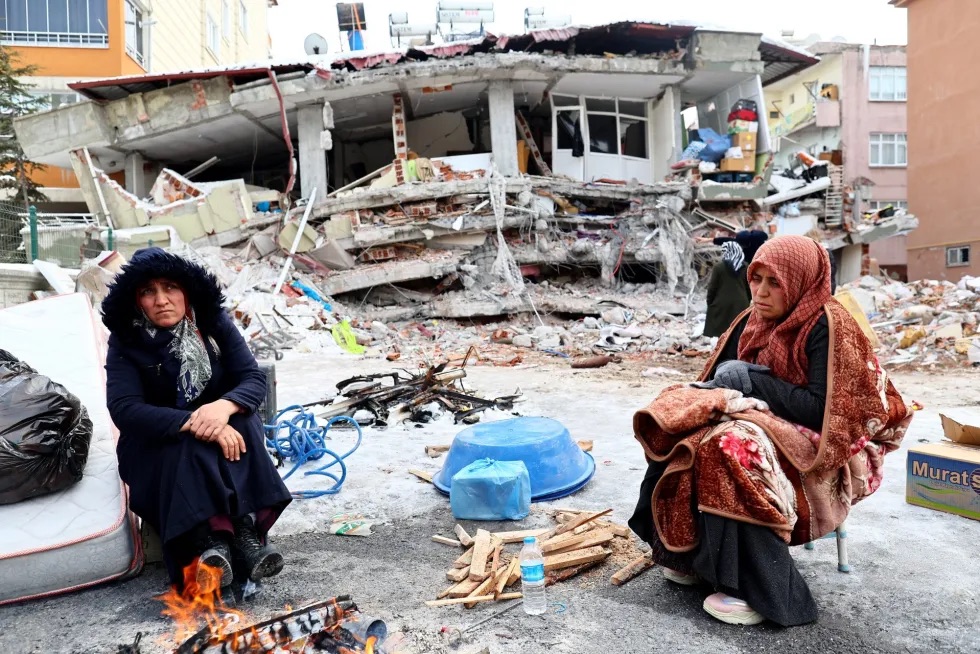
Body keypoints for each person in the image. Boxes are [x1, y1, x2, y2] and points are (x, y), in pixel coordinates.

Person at [629, 235, 912, 627]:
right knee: (683, 429)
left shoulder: (828, 326)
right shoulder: (750, 319)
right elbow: (718, 380)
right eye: (755, 278)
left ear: (800, 281)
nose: (760, 292)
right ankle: (689, 555)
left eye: (774, 282)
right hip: (766, 419)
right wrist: (711, 395)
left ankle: (757, 588)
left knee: (731, 447)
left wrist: (755, 383)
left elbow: (825, 411)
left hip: (827, 439)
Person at [101, 247, 292, 594]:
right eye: (148, 291)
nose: (161, 300)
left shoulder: (213, 324)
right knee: (190, 443)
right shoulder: (126, 341)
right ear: (136, 300)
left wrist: (224, 407)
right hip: (157, 449)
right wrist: (196, 422)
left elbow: (251, 377)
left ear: (186, 291)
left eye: (170, 287)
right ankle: (210, 542)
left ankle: (242, 537)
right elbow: (125, 408)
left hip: (221, 441)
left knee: (244, 423)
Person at [703, 242, 751, 338]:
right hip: (741, 303)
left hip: (722, 303)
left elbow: (712, 287)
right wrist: (747, 300)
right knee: (737, 332)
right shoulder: (746, 267)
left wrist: (710, 302)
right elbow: (749, 287)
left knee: (722, 333)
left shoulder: (719, 267)